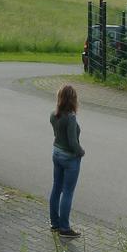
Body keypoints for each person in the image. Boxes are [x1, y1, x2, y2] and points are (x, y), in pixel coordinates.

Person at [49, 83, 84, 238]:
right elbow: (72, 142)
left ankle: (54, 223)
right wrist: (80, 152)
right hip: (69, 158)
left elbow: (59, 135)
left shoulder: (54, 115)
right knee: (68, 192)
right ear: (72, 100)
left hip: (56, 153)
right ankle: (64, 228)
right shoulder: (70, 118)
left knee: (56, 188)